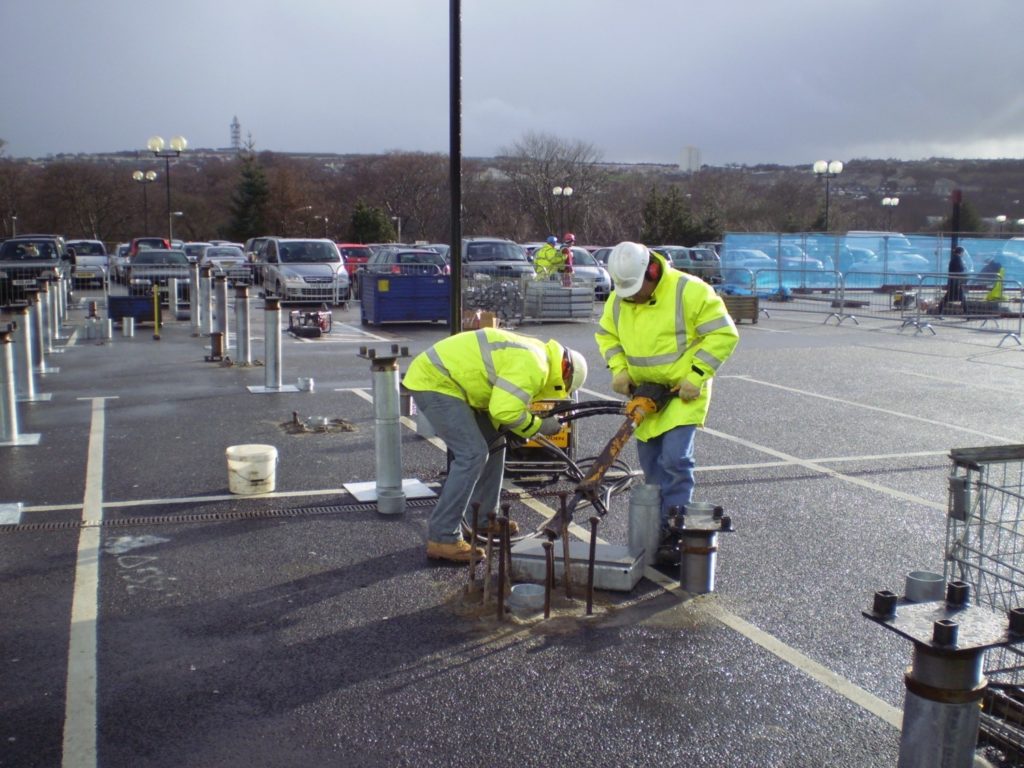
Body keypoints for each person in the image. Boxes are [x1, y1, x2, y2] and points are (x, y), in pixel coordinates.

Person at [596, 241, 739, 560]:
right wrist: (619, 371)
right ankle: (657, 529)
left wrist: (696, 375)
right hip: (645, 395)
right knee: (651, 466)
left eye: (635, 289)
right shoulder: (619, 299)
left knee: (675, 461)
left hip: (681, 393)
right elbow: (607, 335)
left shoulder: (689, 290)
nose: (631, 297)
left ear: (652, 271)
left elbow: (723, 333)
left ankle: (674, 530)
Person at [403, 329, 589, 562]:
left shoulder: (539, 355)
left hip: (457, 386)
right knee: (472, 454)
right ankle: (443, 537)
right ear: (565, 374)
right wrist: (539, 426)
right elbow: (504, 410)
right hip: (435, 381)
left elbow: (501, 405)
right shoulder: (536, 366)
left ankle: (483, 519)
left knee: (495, 444)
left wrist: (519, 429)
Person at [938, 246, 966, 313]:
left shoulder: (955, 258)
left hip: (955, 282)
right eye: (963, 252)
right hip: (956, 282)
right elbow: (960, 269)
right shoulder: (957, 259)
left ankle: (967, 314)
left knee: (949, 298)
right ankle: (967, 314)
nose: (963, 254)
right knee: (948, 298)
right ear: (961, 252)